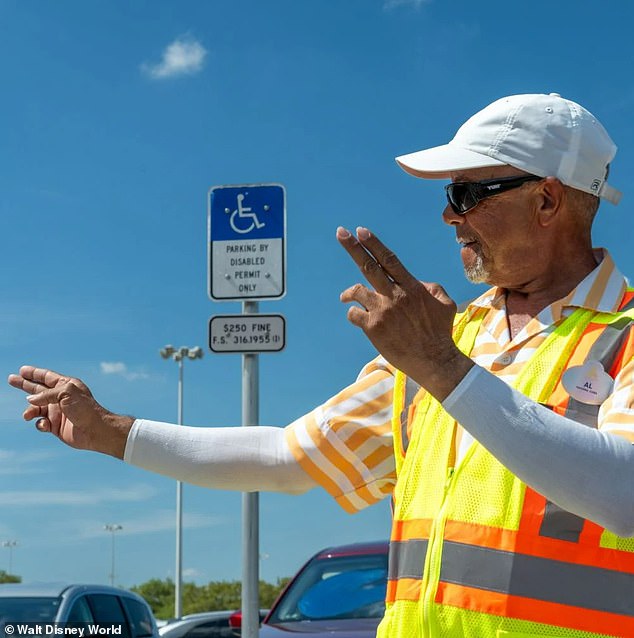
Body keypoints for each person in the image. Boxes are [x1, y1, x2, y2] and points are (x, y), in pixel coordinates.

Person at [8, 92, 634, 637]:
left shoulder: (596, 339)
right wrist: (111, 432)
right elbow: (287, 457)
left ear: (548, 201)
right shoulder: (445, 341)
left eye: (467, 193)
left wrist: (443, 366)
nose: (449, 214)